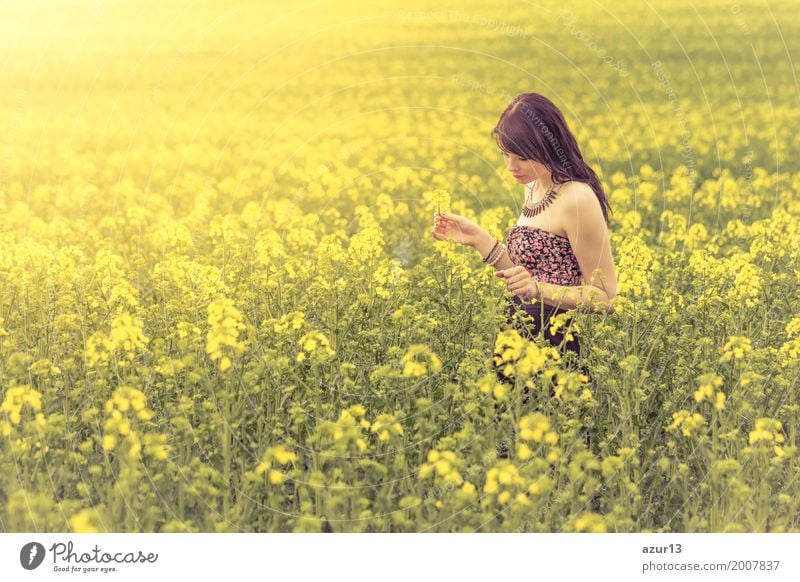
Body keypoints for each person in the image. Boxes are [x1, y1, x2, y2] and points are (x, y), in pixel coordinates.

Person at [431, 92, 617, 395]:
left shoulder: (577, 199)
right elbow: (524, 276)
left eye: (521, 157)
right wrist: (480, 240)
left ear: (547, 146)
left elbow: (606, 297)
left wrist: (537, 290)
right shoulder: (533, 187)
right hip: (513, 338)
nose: (510, 167)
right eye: (505, 155)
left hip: (553, 348)